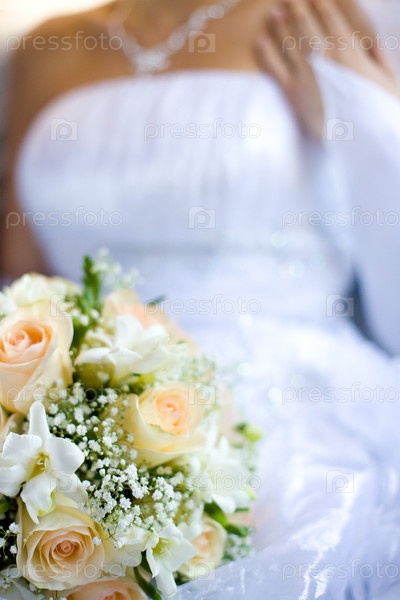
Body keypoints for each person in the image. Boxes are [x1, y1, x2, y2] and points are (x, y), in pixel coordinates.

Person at [3, 0, 400, 597]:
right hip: (83, 425)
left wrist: (366, 122)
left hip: (305, 412)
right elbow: (23, 277)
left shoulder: (336, 13)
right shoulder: (42, 48)